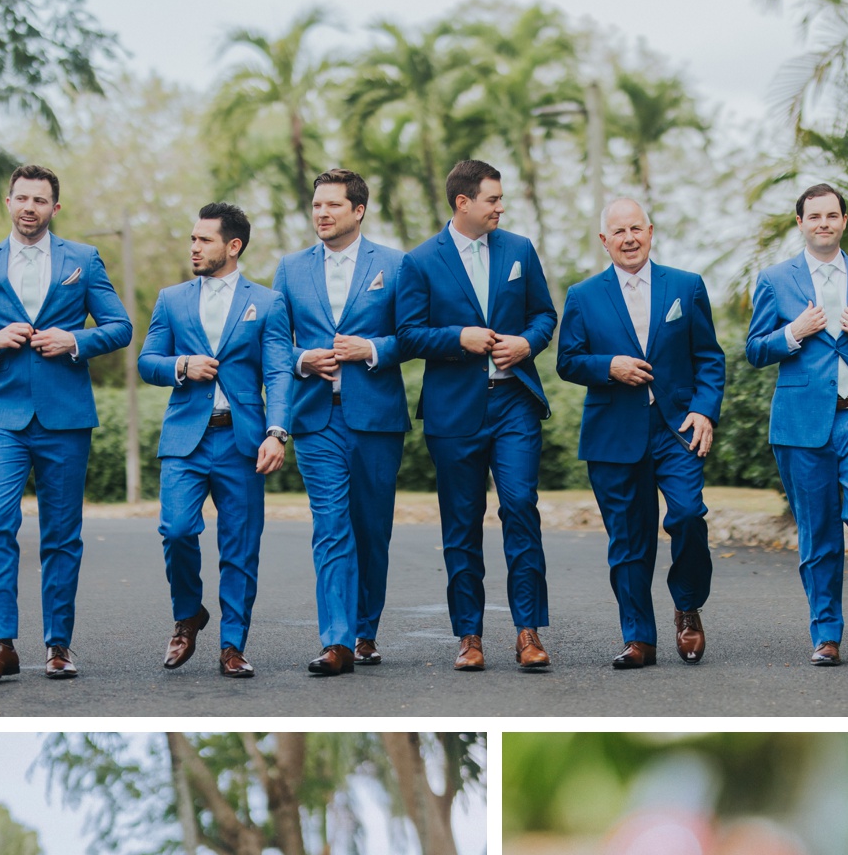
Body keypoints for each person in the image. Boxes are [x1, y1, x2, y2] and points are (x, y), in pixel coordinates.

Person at [0, 164, 132, 682]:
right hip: (3, 417)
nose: (30, 207)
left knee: (61, 536)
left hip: (66, 418)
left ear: (54, 208)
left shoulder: (83, 260)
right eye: (21, 198)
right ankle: (1, 645)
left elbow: (120, 327)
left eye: (40, 200)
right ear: (8, 203)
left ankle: (59, 646)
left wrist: (75, 341)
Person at [395, 158, 557, 672]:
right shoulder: (419, 261)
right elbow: (407, 334)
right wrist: (458, 339)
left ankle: (528, 632)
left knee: (520, 508)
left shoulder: (519, 250)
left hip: (513, 403)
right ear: (463, 202)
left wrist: (526, 342)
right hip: (454, 410)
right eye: (492, 199)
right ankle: (469, 635)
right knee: (461, 525)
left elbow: (544, 315)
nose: (500, 207)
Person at [745, 184, 848, 667]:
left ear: (843, 221)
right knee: (818, 533)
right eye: (813, 215)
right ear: (800, 223)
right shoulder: (776, 280)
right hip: (801, 422)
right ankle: (825, 635)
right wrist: (793, 333)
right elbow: (755, 350)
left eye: (832, 215)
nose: (823, 223)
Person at [556, 197, 724, 668]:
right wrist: (609, 365)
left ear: (650, 232)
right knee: (628, 540)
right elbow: (567, 360)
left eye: (637, 229)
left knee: (689, 515)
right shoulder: (583, 295)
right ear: (604, 241)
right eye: (619, 232)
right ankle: (638, 638)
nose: (629, 239)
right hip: (613, 433)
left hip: (677, 428)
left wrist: (706, 411)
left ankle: (687, 607)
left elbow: (709, 357)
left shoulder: (686, 287)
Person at [137, 203, 293, 679]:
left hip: (243, 440)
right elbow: (148, 362)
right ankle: (189, 615)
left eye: (203, 240)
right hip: (186, 438)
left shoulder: (267, 303)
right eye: (192, 239)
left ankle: (232, 645)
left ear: (233, 246)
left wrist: (277, 432)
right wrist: (181, 366)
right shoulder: (172, 299)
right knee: (177, 531)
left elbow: (280, 372)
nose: (194, 247)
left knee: (240, 547)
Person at [273, 169, 408, 676]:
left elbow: (412, 337)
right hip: (315, 418)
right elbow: (272, 343)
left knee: (371, 529)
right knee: (331, 527)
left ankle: (365, 630)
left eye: (332, 205)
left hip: (376, 417)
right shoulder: (289, 269)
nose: (322, 214)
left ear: (358, 210)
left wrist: (372, 348)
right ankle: (337, 641)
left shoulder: (395, 265)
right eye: (316, 206)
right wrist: (302, 359)